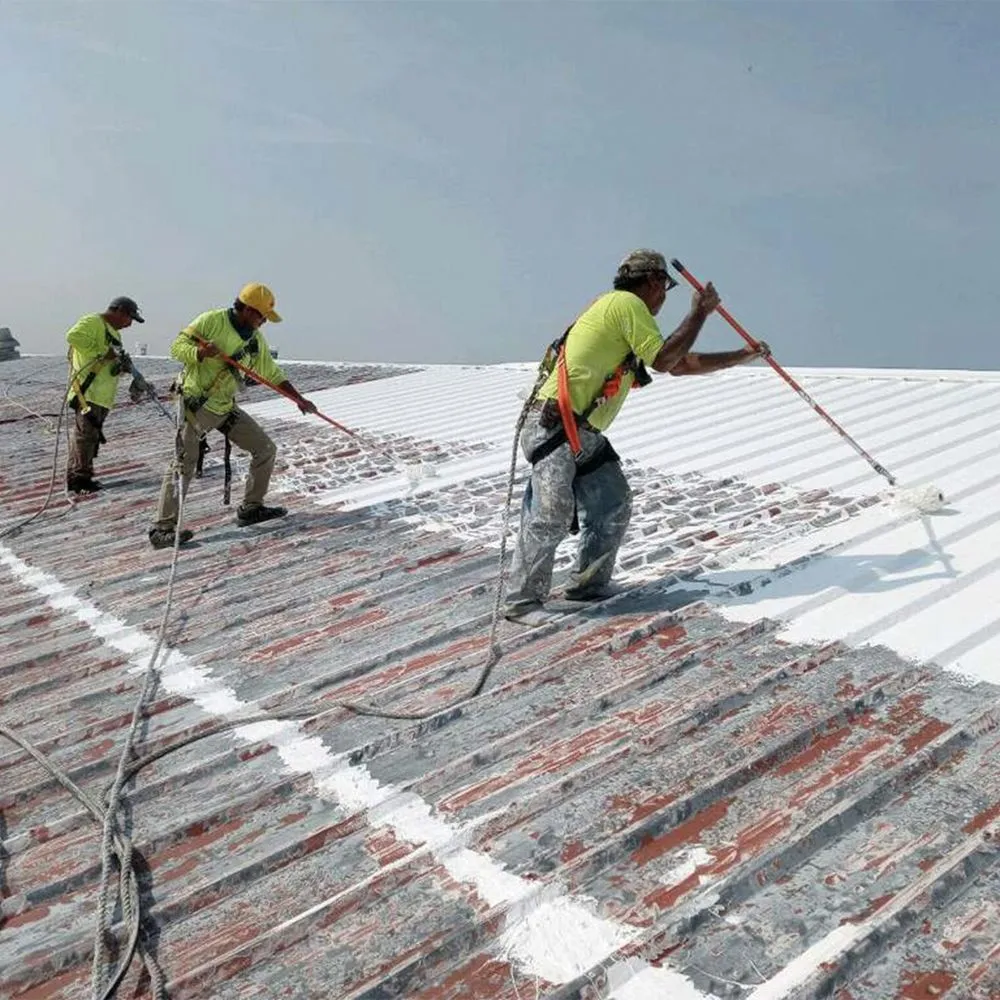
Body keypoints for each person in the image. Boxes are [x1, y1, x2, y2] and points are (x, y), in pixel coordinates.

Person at [504, 249, 770, 622]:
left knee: (612, 501)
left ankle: (589, 585)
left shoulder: (624, 320)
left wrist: (741, 355)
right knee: (552, 512)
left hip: (581, 432)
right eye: (665, 288)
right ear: (654, 281)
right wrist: (699, 313)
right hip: (556, 424)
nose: (664, 298)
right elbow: (664, 360)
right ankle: (522, 602)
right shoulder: (627, 304)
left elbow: (679, 364)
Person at [148, 282, 317, 549]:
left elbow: (272, 374)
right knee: (184, 464)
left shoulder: (255, 340)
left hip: (225, 407)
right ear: (248, 310)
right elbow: (177, 348)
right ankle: (162, 530)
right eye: (262, 316)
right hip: (196, 405)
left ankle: (251, 508)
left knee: (265, 449)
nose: (263, 322)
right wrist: (200, 353)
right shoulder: (211, 321)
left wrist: (299, 399)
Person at [65, 296, 145, 494]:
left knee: (90, 436)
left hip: (102, 396)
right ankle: (79, 480)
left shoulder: (114, 334)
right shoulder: (93, 322)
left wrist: (121, 366)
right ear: (119, 311)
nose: (129, 325)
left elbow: (109, 365)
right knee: (85, 436)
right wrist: (103, 352)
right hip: (88, 392)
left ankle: (81, 476)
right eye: (129, 319)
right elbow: (73, 336)